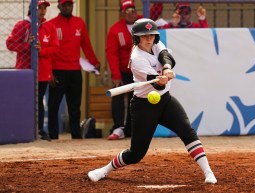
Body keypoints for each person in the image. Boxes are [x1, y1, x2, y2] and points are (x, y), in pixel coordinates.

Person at [87, 18, 217, 184]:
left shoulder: (156, 44)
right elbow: (159, 86)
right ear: (137, 38)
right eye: (144, 35)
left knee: (187, 131)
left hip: (165, 101)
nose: (149, 38)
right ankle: (104, 170)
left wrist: (167, 69)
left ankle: (208, 173)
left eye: (151, 35)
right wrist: (161, 80)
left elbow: (166, 56)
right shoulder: (137, 59)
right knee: (136, 154)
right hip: (143, 106)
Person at [6, 0, 59, 141]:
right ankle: (22, 129)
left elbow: (55, 48)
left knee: (39, 101)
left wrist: (42, 50)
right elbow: (10, 44)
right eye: (39, 8)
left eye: (44, 8)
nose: (42, 11)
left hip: (43, 72)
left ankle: (40, 129)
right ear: (32, 9)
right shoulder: (22, 25)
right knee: (25, 100)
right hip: (25, 70)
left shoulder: (49, 27)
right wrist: (26, 45)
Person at [48, 0, 100, 139]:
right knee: (54, 104)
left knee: (75, 106)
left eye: (70, 4)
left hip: (75, 70)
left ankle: (76, 136)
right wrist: (49, 72)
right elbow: (49, 51)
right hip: (58, 70)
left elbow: (86, 45)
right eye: (64, 5)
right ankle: (53, 135)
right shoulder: (51, 24)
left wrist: (94, 62)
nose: (68, 7)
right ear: (59, 6)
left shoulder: (79, 22)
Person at [106, 0, 143, 140]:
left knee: (138, 99)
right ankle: (118, 127)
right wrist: (115, 75)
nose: (130, 13)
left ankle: (132, 128)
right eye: (127, 11)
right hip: (123, 70)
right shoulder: (115, 29)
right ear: (122, 13)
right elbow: (111, 53)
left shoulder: (143, 24)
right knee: (117, 94)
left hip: (140, 70)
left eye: (132, 10)